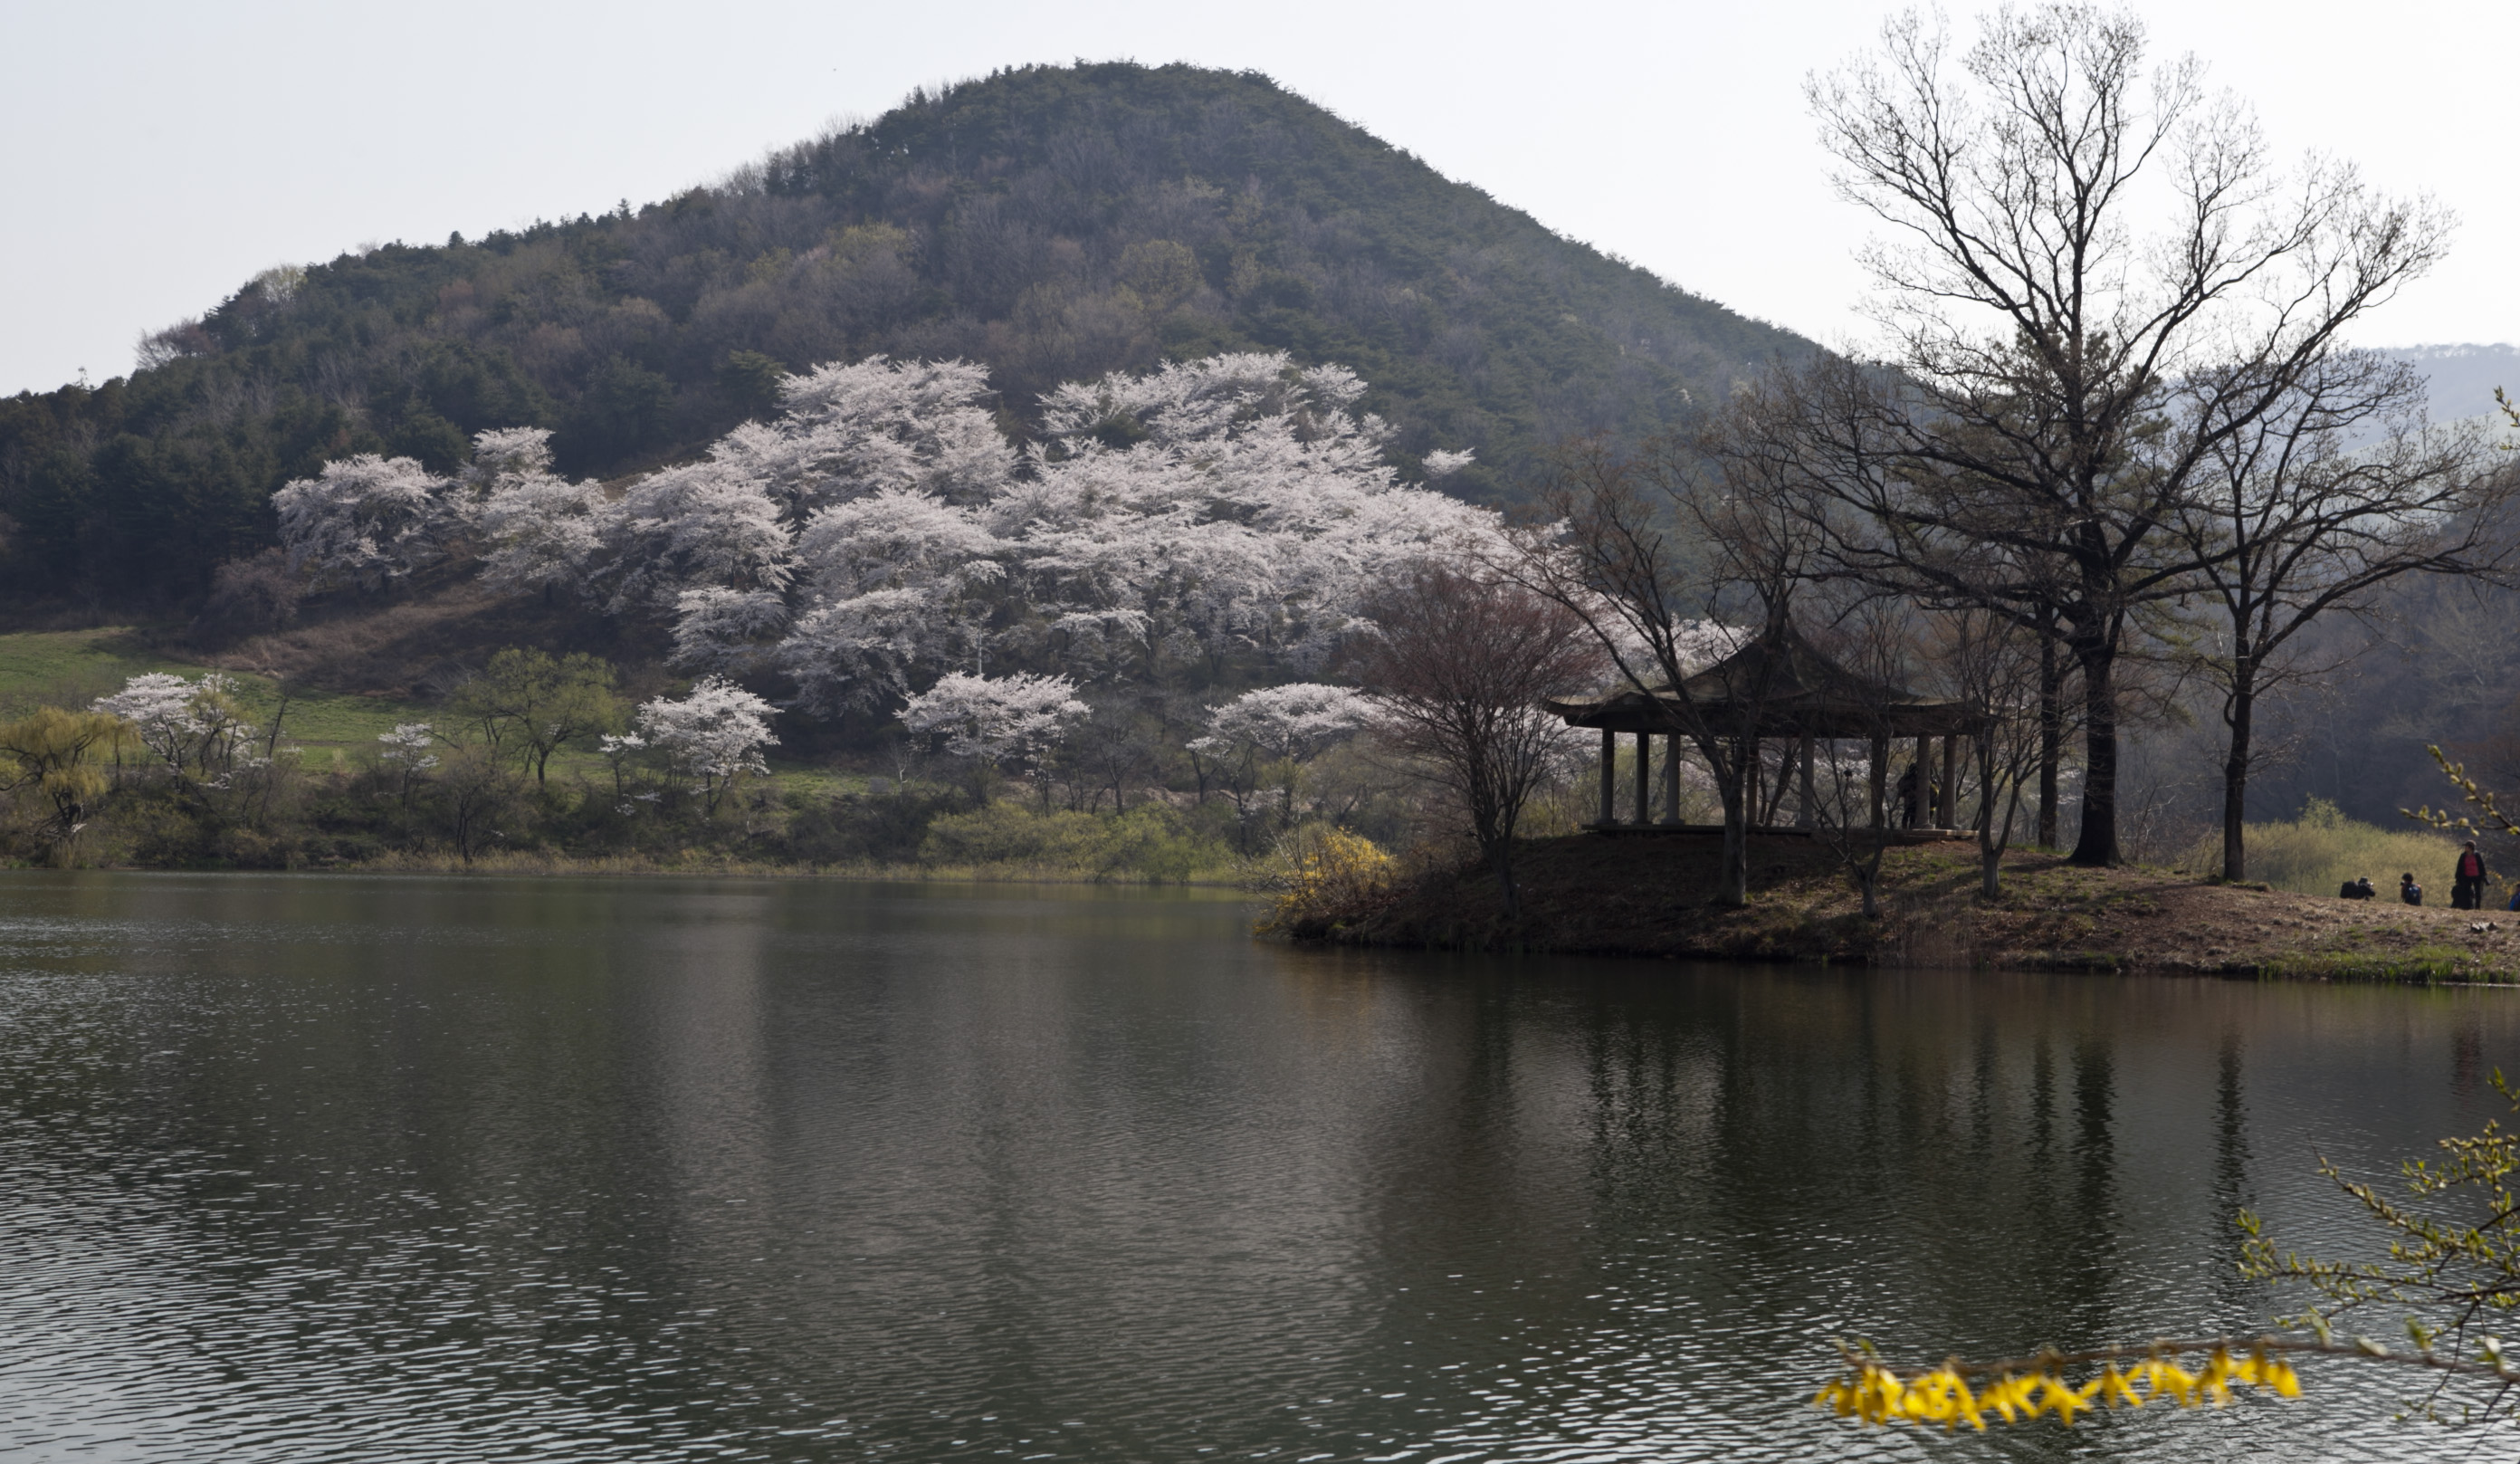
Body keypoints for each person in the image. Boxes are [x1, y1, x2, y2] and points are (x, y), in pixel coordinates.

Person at [2454, 841, 2489, 910]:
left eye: (2466, 846)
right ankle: (2467, 907)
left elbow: (2481, 866)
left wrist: (2484, 876)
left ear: (2470, 847)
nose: (2465, 848)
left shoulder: (2477, 855)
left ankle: (2477, 907)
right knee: (2466, 892)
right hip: (2467, 876)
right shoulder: (2463, 856)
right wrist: (2457, 877)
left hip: (2477, 876)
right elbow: (2459, 867)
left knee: (2478, 892)